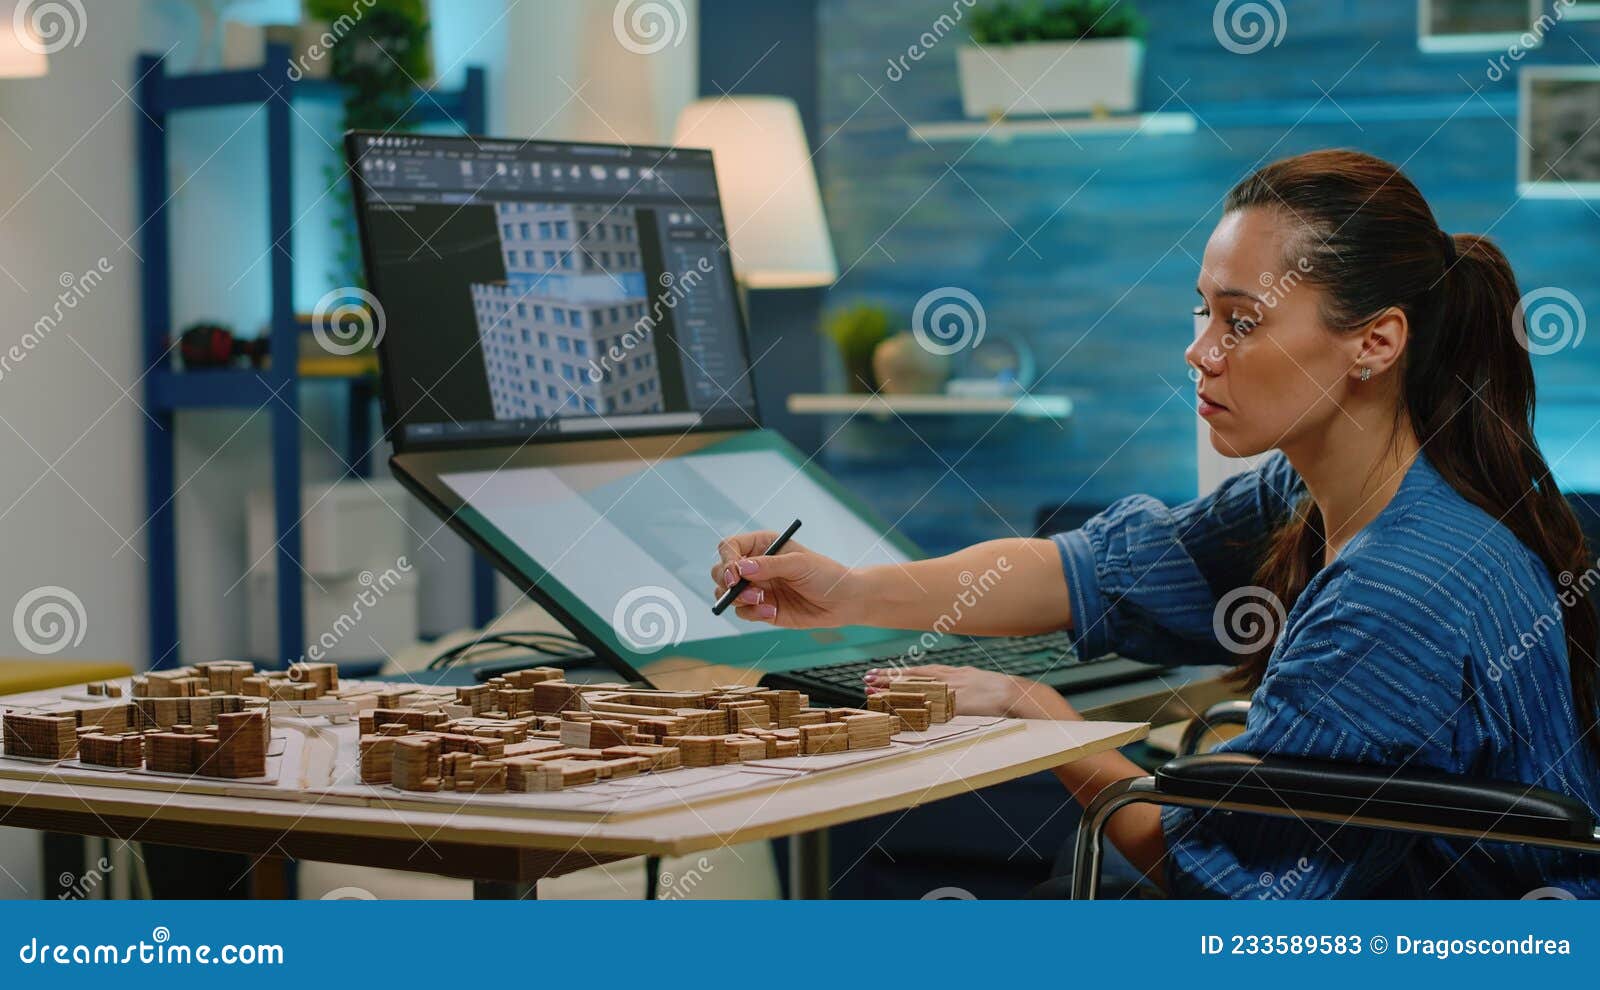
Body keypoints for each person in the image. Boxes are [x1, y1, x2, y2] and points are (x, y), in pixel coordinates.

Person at [710, 149, 1600, 898]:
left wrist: (1033, 714)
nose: (1200, 351)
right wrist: (851, 592)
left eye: (1241, 322)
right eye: (1203, 312)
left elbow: (1212, 882)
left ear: (1375, 342)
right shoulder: (1324, 494)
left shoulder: (1398, 593)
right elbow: (1089, 569)